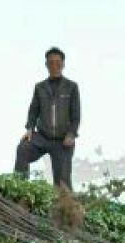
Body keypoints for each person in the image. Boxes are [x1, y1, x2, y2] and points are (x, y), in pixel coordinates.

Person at [14, 46, 81, 189]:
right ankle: (20, 189)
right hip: (42, 138)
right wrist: (30, 128)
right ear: (46, 65)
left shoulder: (72, 87)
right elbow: (33, 110)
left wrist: (71, 134)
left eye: (57, 62)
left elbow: (76, 115)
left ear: (63, 64)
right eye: (50, 62)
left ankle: (64, 207)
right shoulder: (40, 87)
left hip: (63, 141)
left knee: (62, 184)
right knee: (23, 148)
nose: (54, 66)